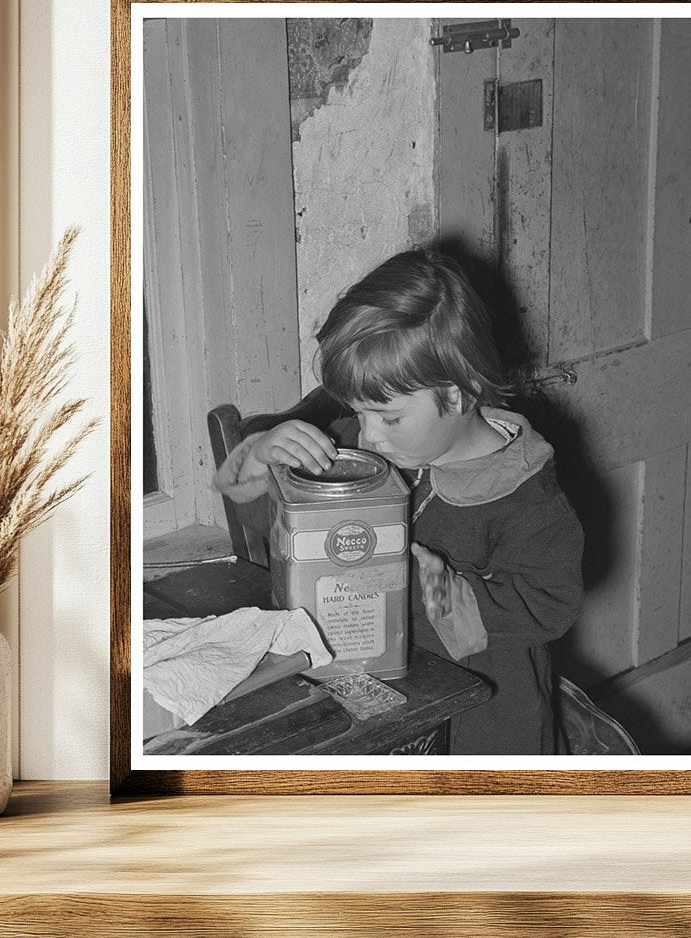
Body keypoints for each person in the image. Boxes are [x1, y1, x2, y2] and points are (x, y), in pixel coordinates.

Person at [213, 247, 584, 755]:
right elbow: (249, 503)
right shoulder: (365, 448)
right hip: (365, 693)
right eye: (357, 411)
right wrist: (261, 454)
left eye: (388, 417)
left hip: (480, 718)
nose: (367, 436)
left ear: (458, 393)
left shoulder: (524, 494)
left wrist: (448, 596)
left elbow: (553, 603)